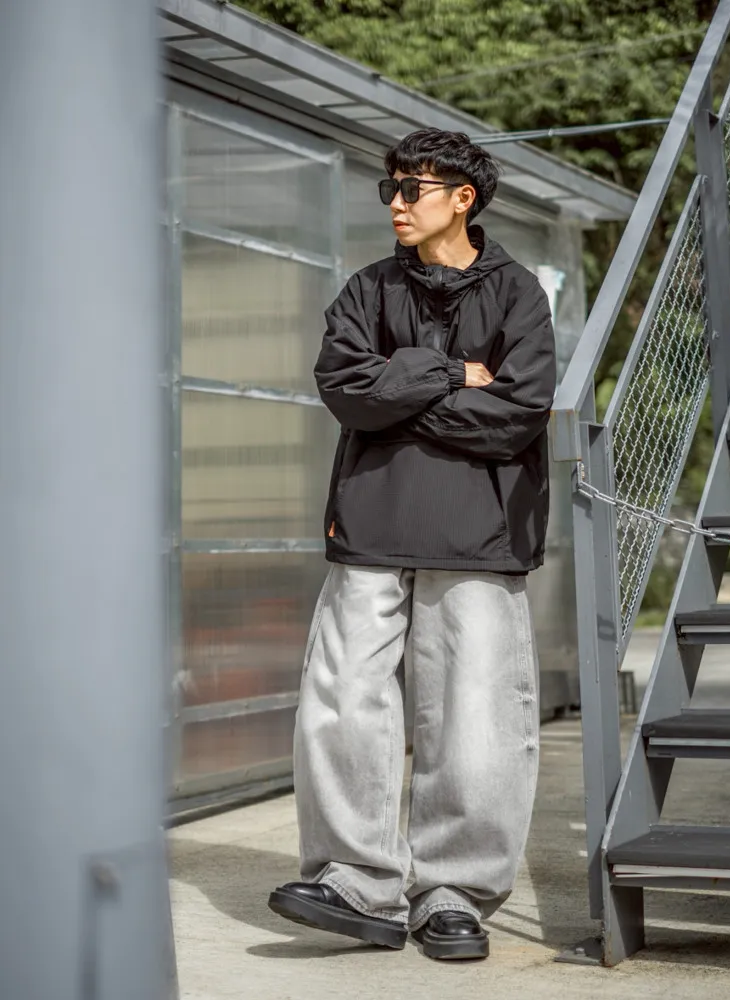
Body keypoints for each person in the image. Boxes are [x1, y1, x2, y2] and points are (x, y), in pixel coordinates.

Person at [268, 128, 556, 962]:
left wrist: (397, 389)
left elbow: (515, 415)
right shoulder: (366, 289)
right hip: (370, 523)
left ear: (462, 198)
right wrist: (449, 372)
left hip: (482, 531)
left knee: (475, 717)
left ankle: (453, 893)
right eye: (388, 188)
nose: (395, 203)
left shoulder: (517, 294)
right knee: (340, 701)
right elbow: (345, 389)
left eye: (411, 189)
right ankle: (354, 880)